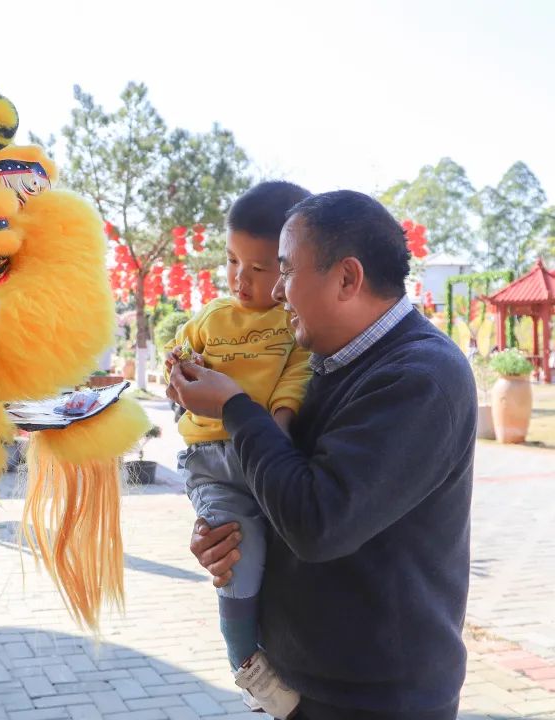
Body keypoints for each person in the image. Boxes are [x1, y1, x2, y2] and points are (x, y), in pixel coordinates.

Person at [169, 190, 476, 720]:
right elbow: (284, 485)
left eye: (285, 271)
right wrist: (227, 529)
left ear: (347, 278)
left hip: (376, 699)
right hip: (303, 683)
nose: (278, 293)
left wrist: (237, 410)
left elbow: (317, 521)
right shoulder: (324, 362)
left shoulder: (420, 379)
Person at [164, 181, 312, 717]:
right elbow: (181, 355)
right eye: (232, 261)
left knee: (259, 547)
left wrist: (276, 424)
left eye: (260, 267)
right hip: (210, 463)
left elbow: (296, 379)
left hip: (261, 451)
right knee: (236, 557)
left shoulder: (294, 326)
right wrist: (176, 377)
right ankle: (246, 664)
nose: (240, 279)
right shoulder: (211, 318)